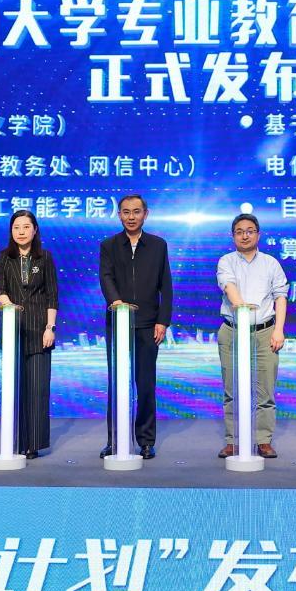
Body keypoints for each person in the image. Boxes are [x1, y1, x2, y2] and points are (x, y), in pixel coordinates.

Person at [98, 194, 173, 459]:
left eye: (136, 211)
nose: (131, 216)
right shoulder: (109, 245)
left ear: (145, 214)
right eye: (126, 212)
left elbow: (166, 286)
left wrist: (162, 321)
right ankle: (115, 440)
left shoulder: (158, 245)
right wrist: (116, 302)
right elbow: (105, 277)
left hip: (148, 325)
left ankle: (146, 441)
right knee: (117, 383)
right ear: (119, 214)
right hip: (118, 322)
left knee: (145, 384)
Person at [216, 213, 289, 459]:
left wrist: (279, 330)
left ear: (258, 234)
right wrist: (242, 307)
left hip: (265, 332)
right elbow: (228, 286)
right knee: (231, 390)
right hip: (232, 330)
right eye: (239, 232)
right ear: (233, 236)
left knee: (265, 391)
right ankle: (233, 440)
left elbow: (280, 297)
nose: (244, 236)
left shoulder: (271, 263)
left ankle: (263, 440)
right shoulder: (226, 261)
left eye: (249, 231)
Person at [0, 210, 59, 459]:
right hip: (13, 329)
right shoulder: (4, 257)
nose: (21, 232)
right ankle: (15, 440)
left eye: (26, 227)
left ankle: (33, 443)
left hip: (40, 330)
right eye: (16, 227)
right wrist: (10, 307)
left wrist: (50, 327)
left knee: (37, 389)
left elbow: (52, 295)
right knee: (15, 388)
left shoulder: (45, 257)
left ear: (35, 230)